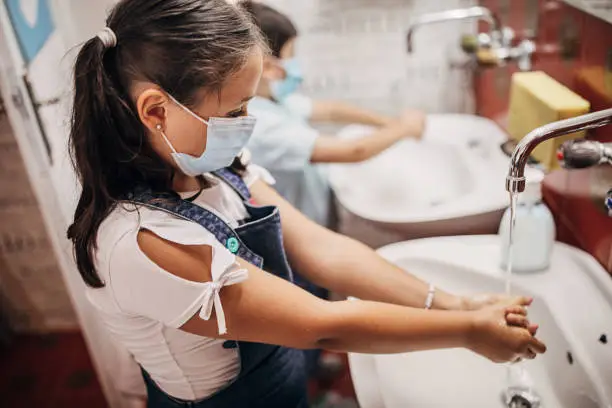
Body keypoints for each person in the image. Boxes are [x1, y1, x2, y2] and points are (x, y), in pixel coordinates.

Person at [66, 1, 546, 407]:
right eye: (234, 111)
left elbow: (323, 249)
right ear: (155, 111)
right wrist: (466, 331)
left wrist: (454, 303)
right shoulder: (145, 242)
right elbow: (321, 328)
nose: (248, 123)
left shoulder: (211, 169)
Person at [242, 2, 426, 228]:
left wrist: (388, 122)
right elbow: (354, 151)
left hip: (316, 207)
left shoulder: (273, 100)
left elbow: (331, 110)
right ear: (270, 67)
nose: (296, 65)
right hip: (294, 232)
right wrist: (404, 129)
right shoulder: (260, 126)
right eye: (292, 55)